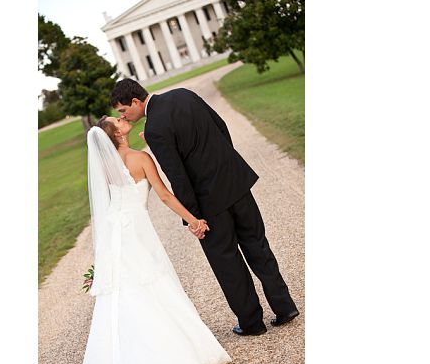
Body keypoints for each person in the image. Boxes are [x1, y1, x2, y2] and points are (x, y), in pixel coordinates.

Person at [110, 79, 299, 337]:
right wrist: (227, 165)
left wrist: (193, 218)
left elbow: (177, 176)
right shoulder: (183, 94)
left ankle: (252, 322)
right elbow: (221, 127)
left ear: (135, 101)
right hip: (236, 182)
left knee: (227, 263)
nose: (123, 115)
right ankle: (285, 306)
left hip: (209, 204)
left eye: (122, 110)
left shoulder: (154, 128)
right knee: (258, 245)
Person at [72, 116, 231, 364]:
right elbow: (165, 196)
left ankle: (121, 361)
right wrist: (194, 221)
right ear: (117, 134)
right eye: (116, 121)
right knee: (152, 282)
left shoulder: (104, 165)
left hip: (116, 235)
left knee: (124, 292)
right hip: (136, 230)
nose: (121, 119)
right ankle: (172, 353)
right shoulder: (140, 158)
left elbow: (106, 205)